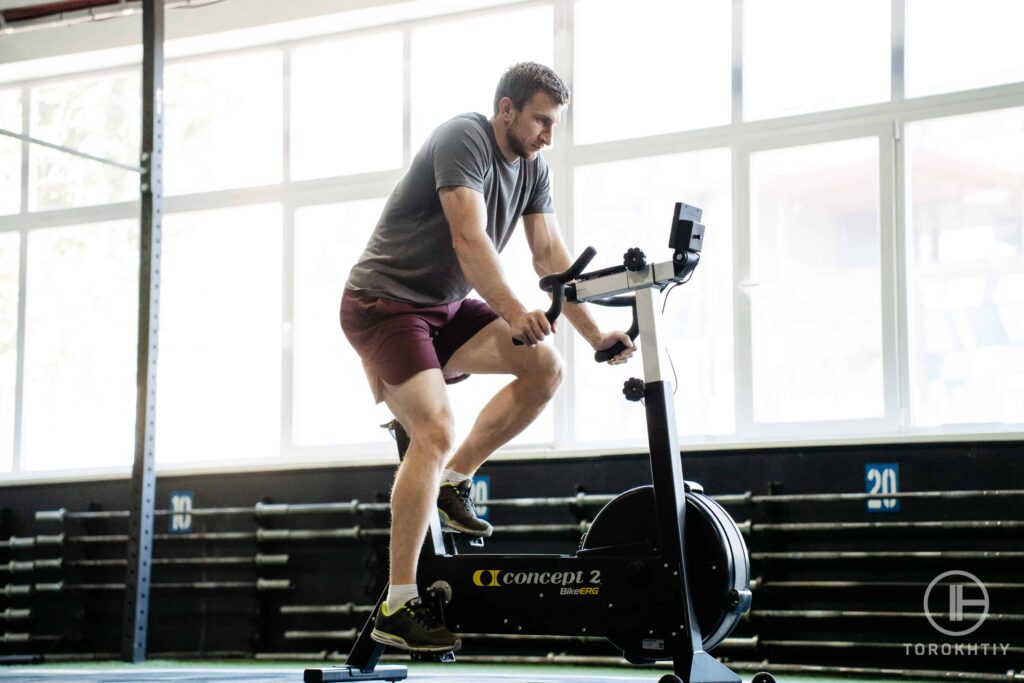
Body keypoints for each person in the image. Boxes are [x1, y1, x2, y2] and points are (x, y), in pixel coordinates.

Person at [339, 62, 634, 653]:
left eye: (554, 125)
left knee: (546, 366)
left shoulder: (533, 169)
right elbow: (469, 239)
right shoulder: (464, 137)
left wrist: (596, 336)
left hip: (443, 309)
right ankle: (399, 606)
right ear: (507, 110)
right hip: (383, 305)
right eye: (540, 121)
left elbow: (549, 254)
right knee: (434, 428)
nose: (548, 135)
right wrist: (514, 309)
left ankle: (453, 483)